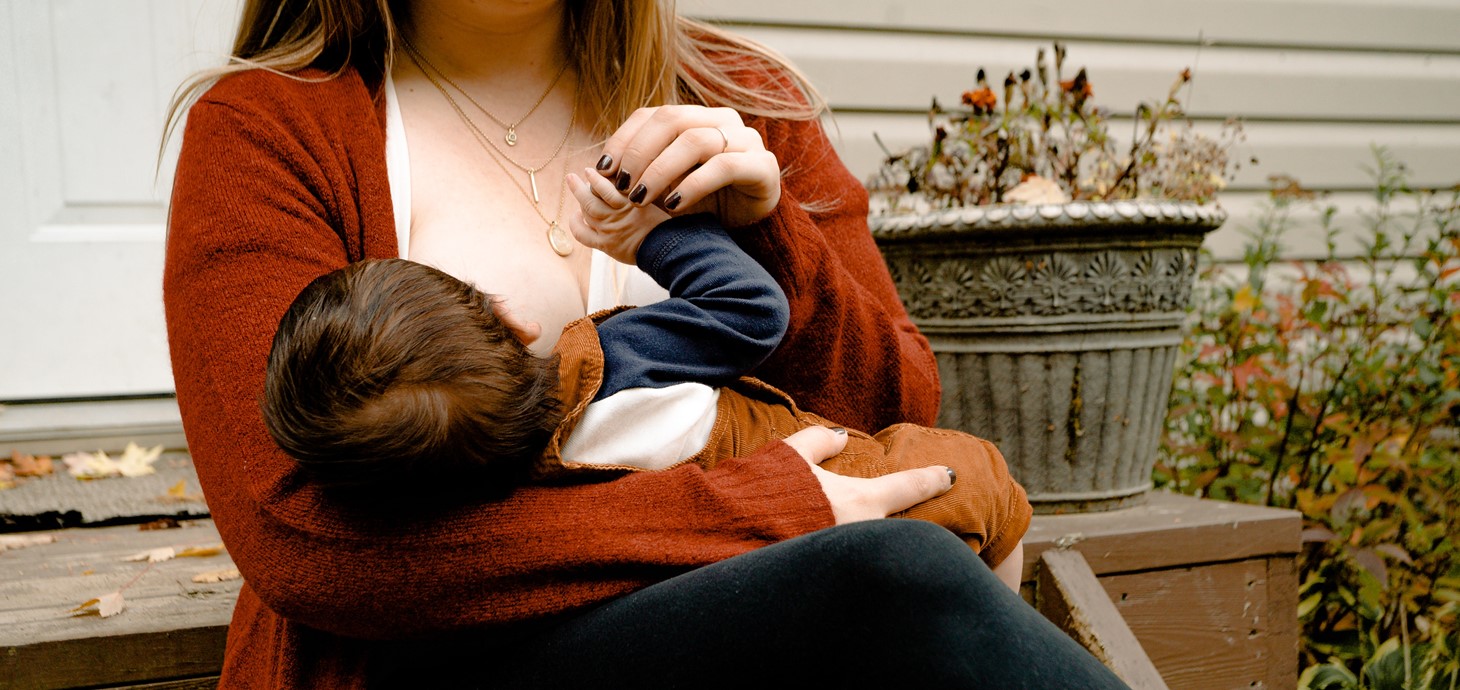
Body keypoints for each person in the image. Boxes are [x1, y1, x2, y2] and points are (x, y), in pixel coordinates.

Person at [162, 0, 1132, 687]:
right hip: (445, 660)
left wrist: (770, 232)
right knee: (892, 574)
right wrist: (768, 507)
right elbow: (309, 542)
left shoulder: (740, 98)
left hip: (765, 639)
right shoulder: (267, 130)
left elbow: (894, 417)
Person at [259, 184, 1030, 581]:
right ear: (512, 320)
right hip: (844, 476)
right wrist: (658, 235)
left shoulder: (494, 493)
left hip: (756, 569)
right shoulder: (610, 360)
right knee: (988, 485)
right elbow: (750, 312)